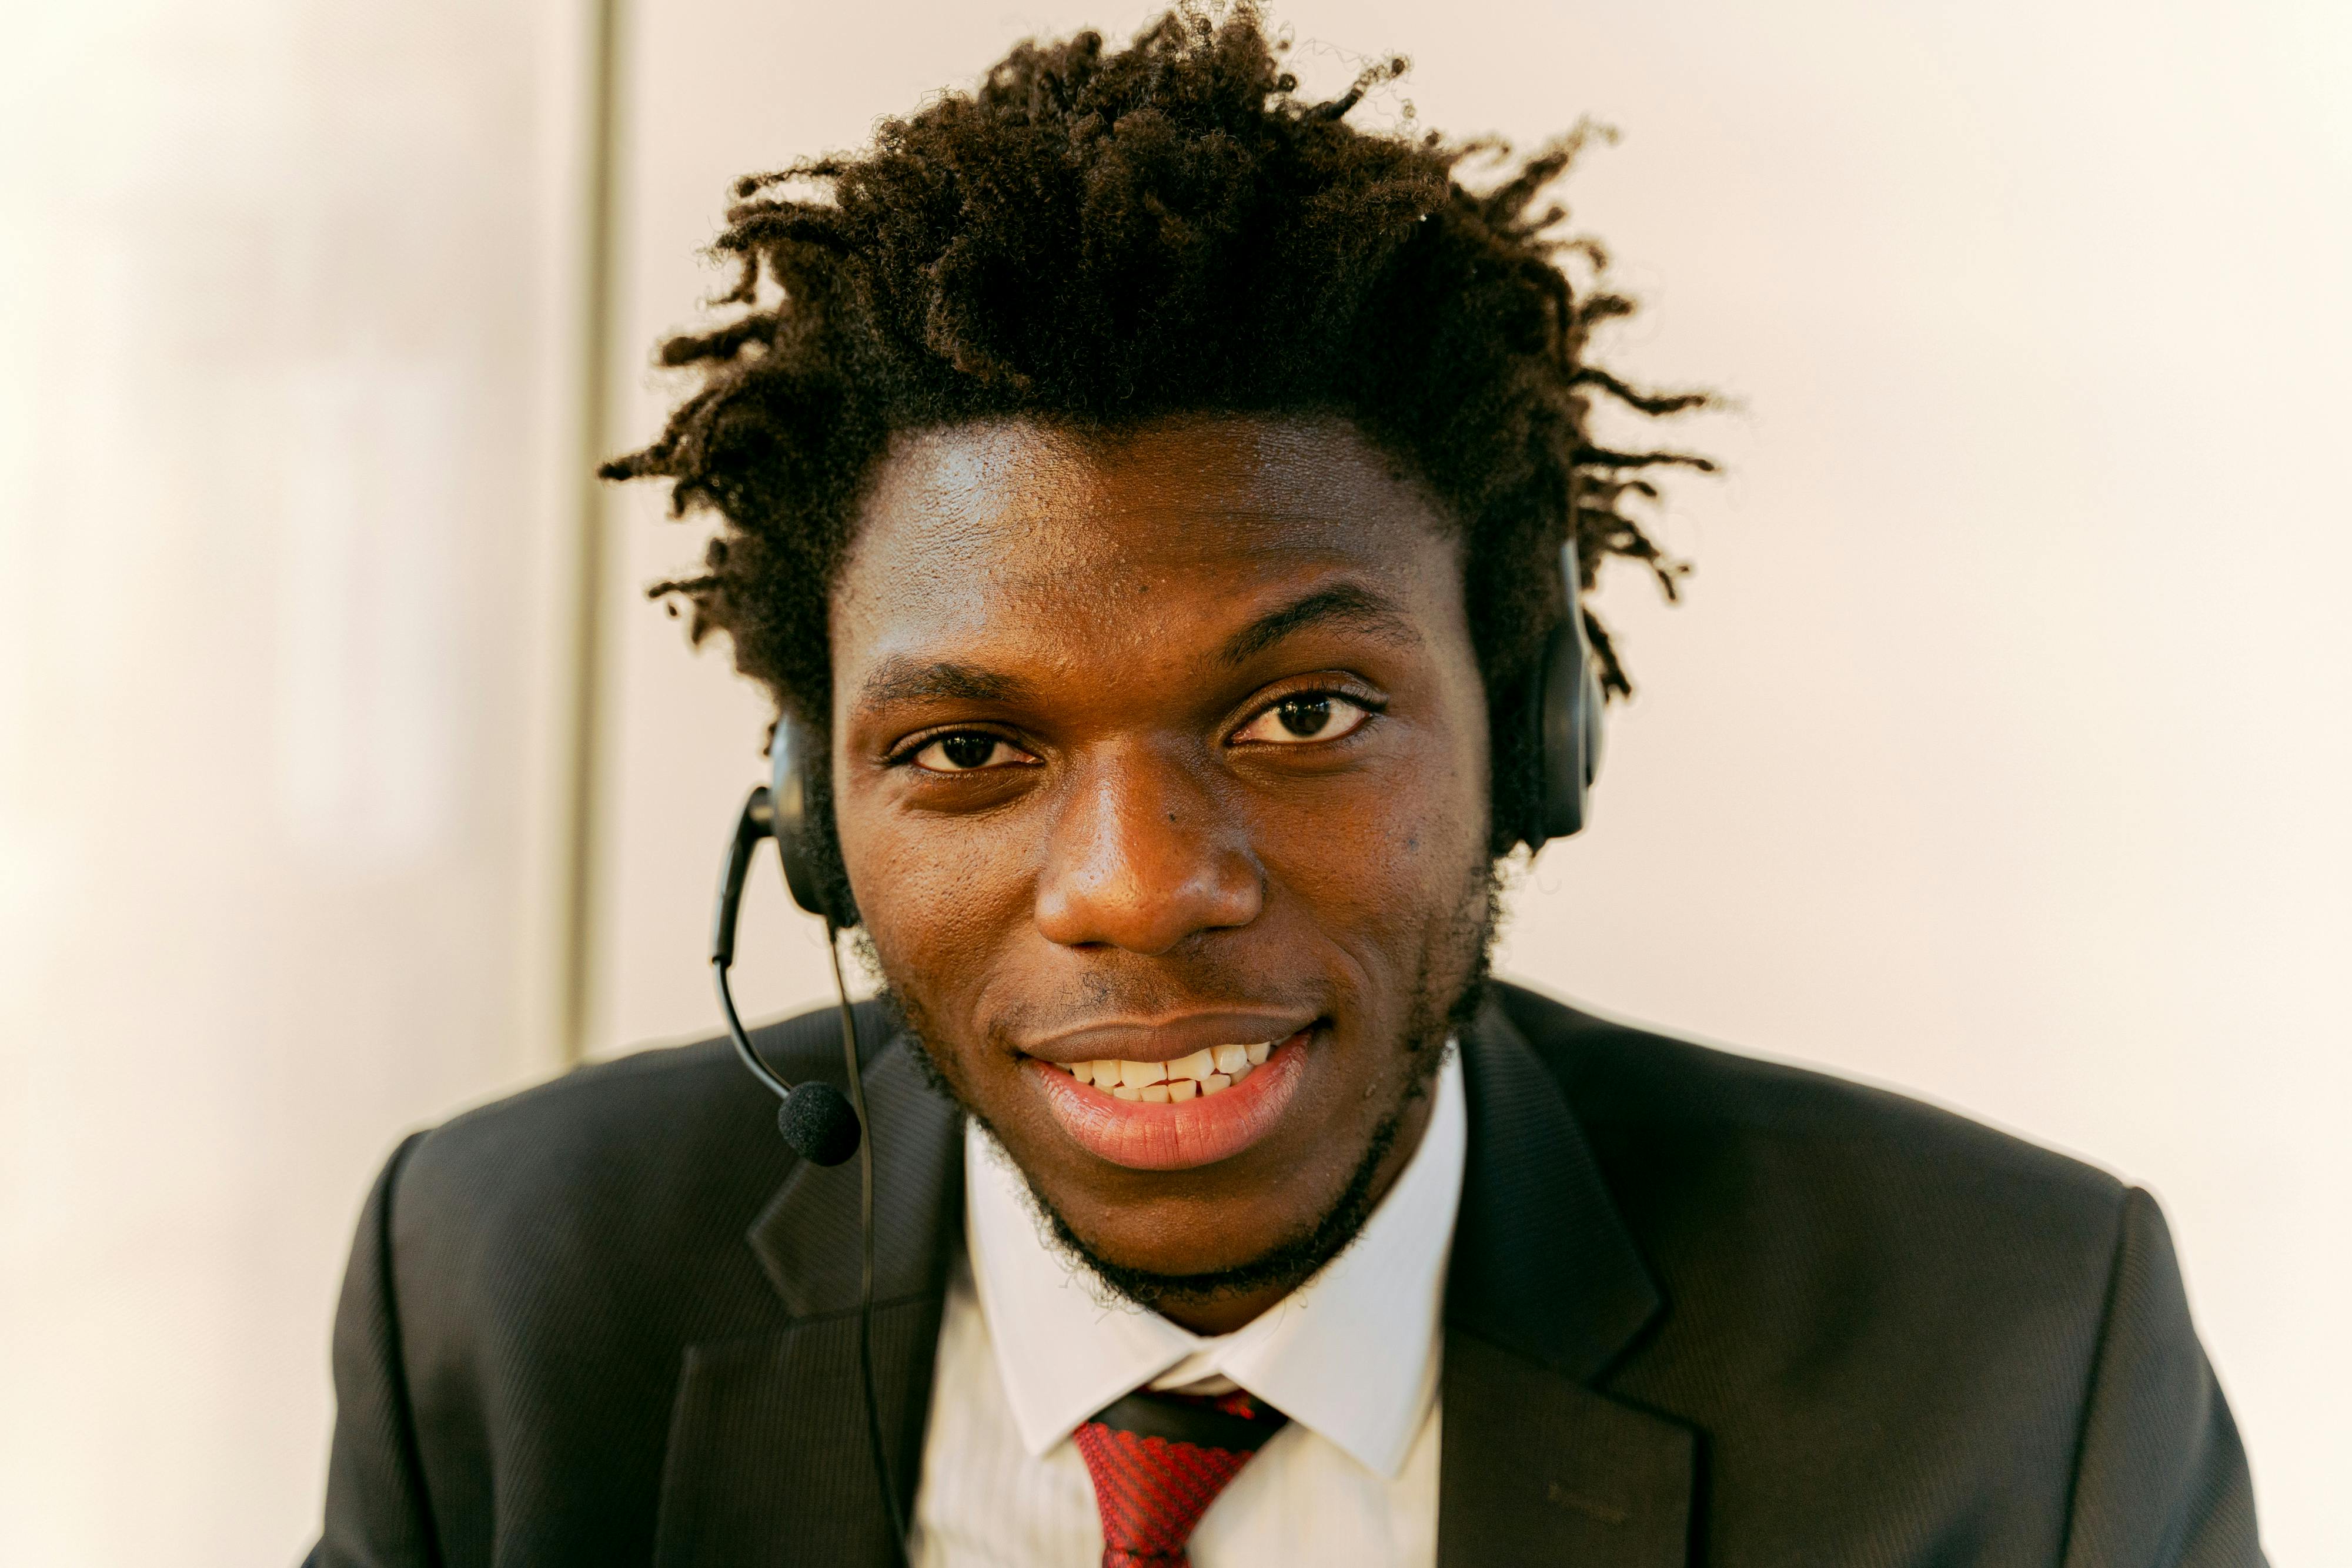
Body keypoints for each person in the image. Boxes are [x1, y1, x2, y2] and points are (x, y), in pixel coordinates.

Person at [310, 6, 2262, 1563]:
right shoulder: (501, 1307)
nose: (1142, 887)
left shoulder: (2016, 1368)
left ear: (1532, 732)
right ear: (812, 819)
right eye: (970, 750)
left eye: (1304, 713)